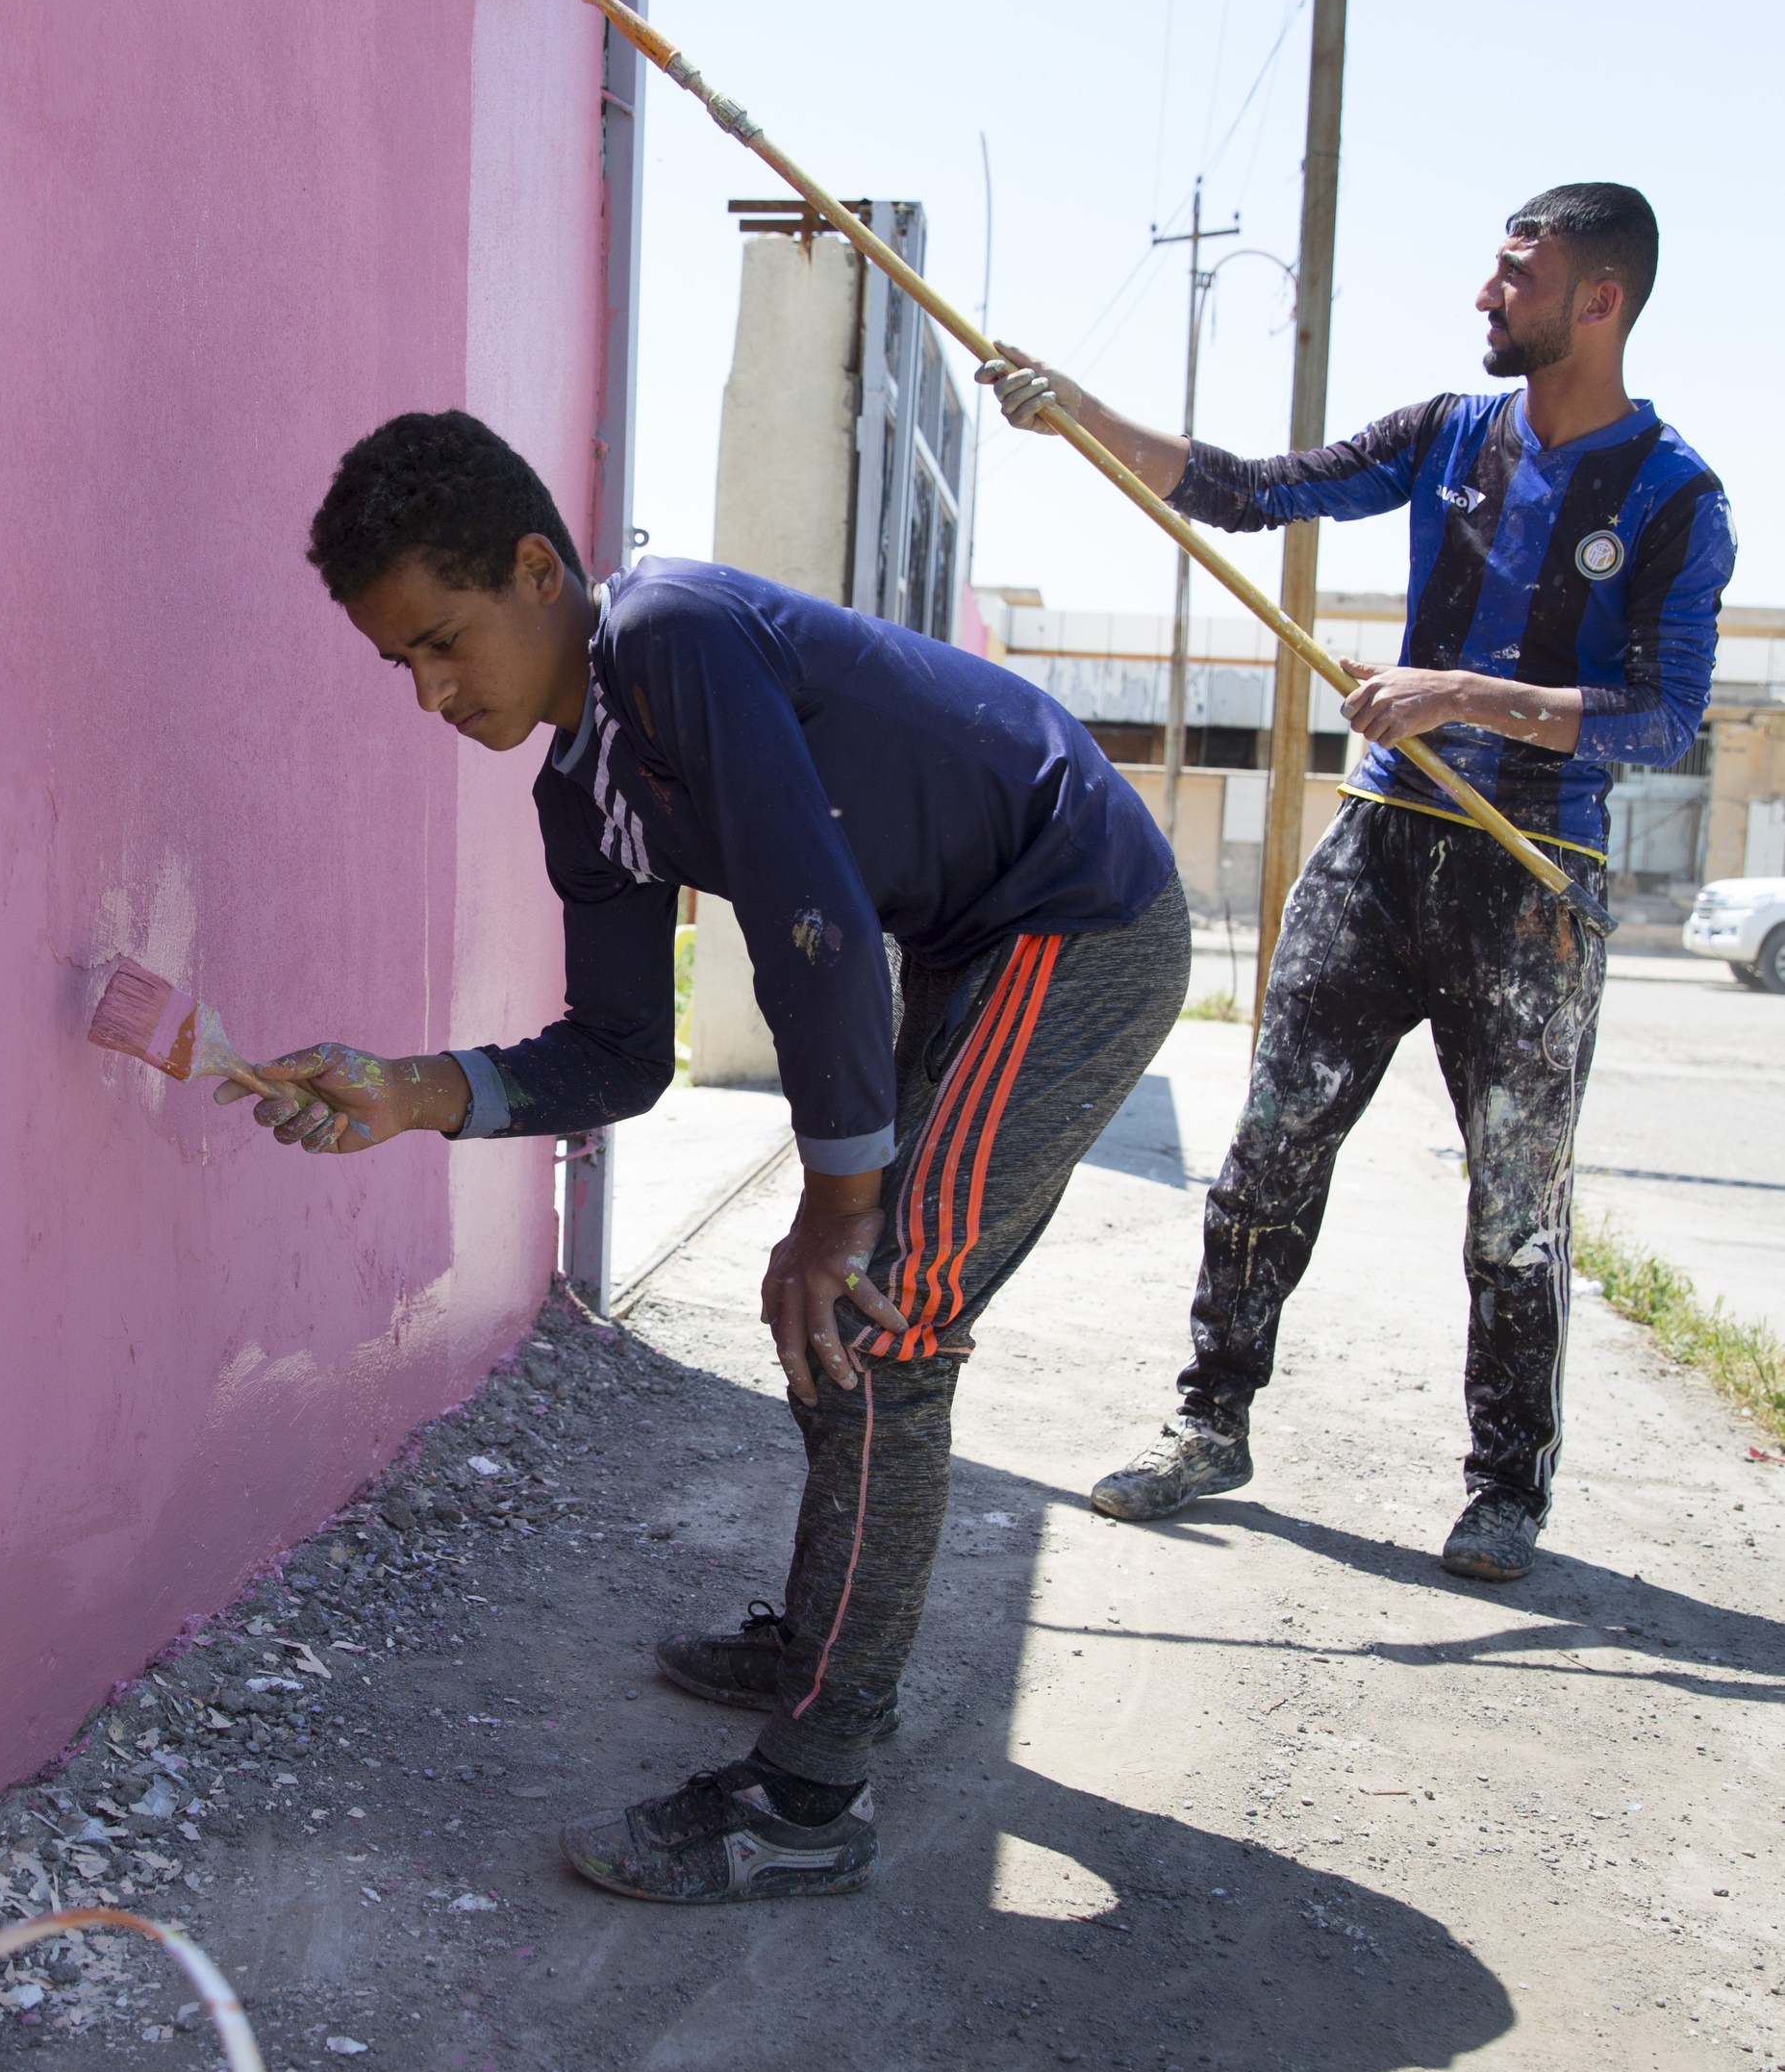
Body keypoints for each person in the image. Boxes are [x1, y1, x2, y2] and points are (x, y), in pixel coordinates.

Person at [225, 407, 1189, 1906]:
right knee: (840, 1309)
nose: (426, 692)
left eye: (441, 640)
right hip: (969, 946)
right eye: (396, 664)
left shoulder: (669, 635)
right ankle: (822, 1643)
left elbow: (812, 921)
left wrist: (841, 1202)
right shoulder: (581, 798)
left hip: (1077, 921)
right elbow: (621, 1054)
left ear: (539, 569)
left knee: (875, 1318)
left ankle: (809, 1798)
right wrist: (410, 1091)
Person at [998, 181, 1733, 1580]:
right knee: (1272, 1144)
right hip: (1377, 852)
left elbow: (1666, 717)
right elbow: (1253, 491)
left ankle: (1505, 1488)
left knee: (1516, 1204)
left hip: (1536, 876)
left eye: (1517, 274)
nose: (1483, 295)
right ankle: (1209, 1421)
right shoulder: (1450, 433)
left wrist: (1469, 694)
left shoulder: (1679, 499)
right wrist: (1080, 411)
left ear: (1601, 299)